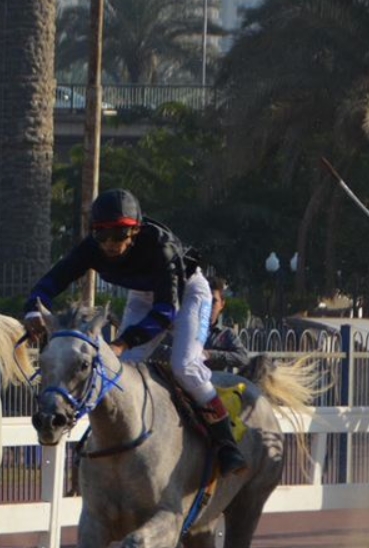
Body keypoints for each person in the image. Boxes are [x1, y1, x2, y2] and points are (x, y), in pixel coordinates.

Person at [22, 189, 248, 475]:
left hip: (188, 292)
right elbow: (52, 280)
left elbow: (166, 310)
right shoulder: (91, 248)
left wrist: (125, 342)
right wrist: (32, 310)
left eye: (120, 234)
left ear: (137, 230)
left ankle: (225, 442)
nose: (110, 244)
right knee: (119, 370)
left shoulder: (161, 247)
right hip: (143, 294)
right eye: (102, 234)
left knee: (185, 365)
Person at [203, 273, 252, 374]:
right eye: (205, 300)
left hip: (217, 385)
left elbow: (243, 358)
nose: (208, 305)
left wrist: (211, 355)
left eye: (214, 301)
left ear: (222, 304)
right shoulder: (185, 330)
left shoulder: (226, 334)